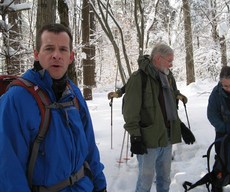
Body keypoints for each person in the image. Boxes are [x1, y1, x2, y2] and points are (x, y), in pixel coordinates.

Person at [0, 23, 107, 192]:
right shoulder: (17, 99)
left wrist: (100, 185)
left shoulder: (73, 92)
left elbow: (89, 146)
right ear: (36, 54)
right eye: (49, 48)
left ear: (71, 57)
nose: (56, 55)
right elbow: (8, 168)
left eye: (63, 49)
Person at [120, 43, 192, 192]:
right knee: (145, 180)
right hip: (148, 139)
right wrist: (135, 137)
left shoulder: (168, 76)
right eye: (169, 61)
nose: (171, 65)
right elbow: (130, 111)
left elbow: (170, 104)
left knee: (165, 179)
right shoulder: (139, 78)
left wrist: (181, 126)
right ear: (158, 58)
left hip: (167, 136)